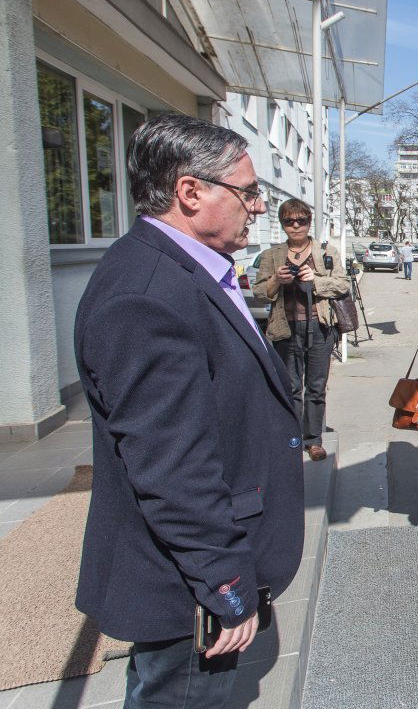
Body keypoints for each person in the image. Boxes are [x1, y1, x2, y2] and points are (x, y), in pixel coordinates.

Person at [74, 114, 303, 708]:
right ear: (191, 192)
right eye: (248, 191)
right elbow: (171, 467)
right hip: (187, 584)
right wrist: (226, 585)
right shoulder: (145, 295)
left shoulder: (183, 271)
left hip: (195, 572)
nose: (258, 207)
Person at [253, 199, 350, 461]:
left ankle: (313, 439)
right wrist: (276, 279)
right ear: (282, 224)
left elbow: (342, 285)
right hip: (285, 329)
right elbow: (260, 293)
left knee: (316, 387)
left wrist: (315, 281)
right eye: (289, 221)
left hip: (319, 328)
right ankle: (292, 437)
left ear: (309, 221)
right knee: (291, 387)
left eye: (301, 221)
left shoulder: (326, 251)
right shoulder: (272, 255)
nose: (296, 226)